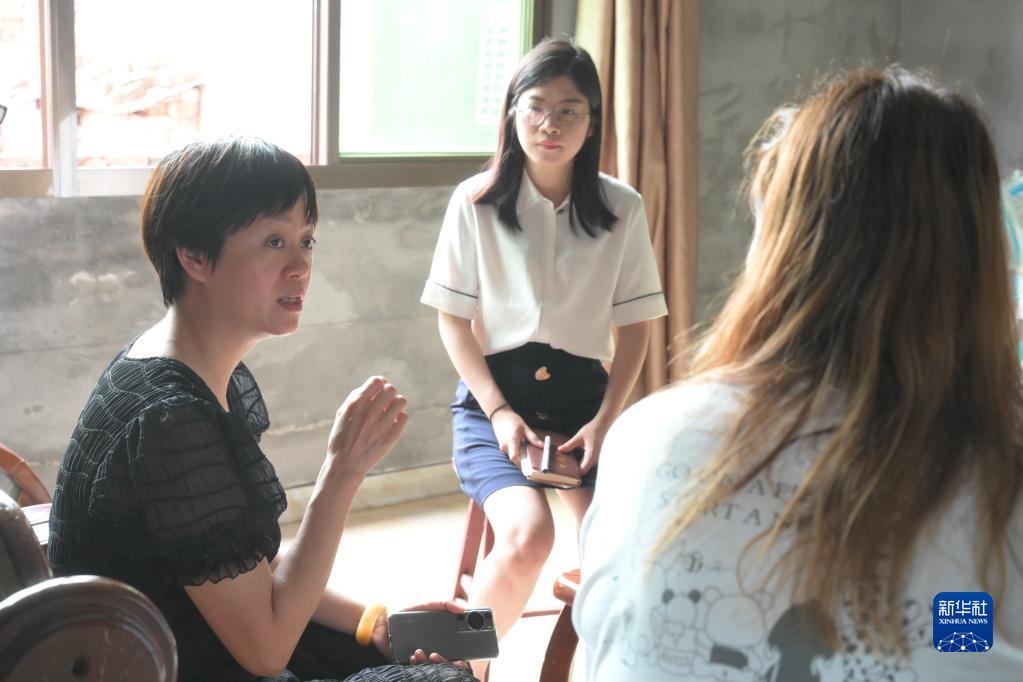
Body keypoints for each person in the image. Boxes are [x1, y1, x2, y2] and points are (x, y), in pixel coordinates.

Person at [574, 66, 1023, 680]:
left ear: (780, 238)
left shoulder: (650, 435)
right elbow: (959, 645)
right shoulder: (998, 483)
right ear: (981, 253)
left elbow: (611, 637)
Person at [48, 137, 477, 682]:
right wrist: (341, 473)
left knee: (427, 651)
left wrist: (374, 622)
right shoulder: (170, 418)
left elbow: (243, 564)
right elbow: (266, 652)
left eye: (306, 240)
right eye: (274, 242)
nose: (301, 266)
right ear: (194, 255)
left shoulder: (183, 366)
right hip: (173, 665)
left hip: (203, 637)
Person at [420, 38, 667, 675]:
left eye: (569, 111)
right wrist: (499, 411)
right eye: (535, 107)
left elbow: (636, 327)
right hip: (492, 402)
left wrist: (607, 421)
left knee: (619, 547)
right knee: (529, 536)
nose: (549, 125)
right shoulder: (475, 201)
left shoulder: (622, 207)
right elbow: (453, 320)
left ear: (592, 121)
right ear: (512, 113)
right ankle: (458, 670)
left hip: (587, 406)